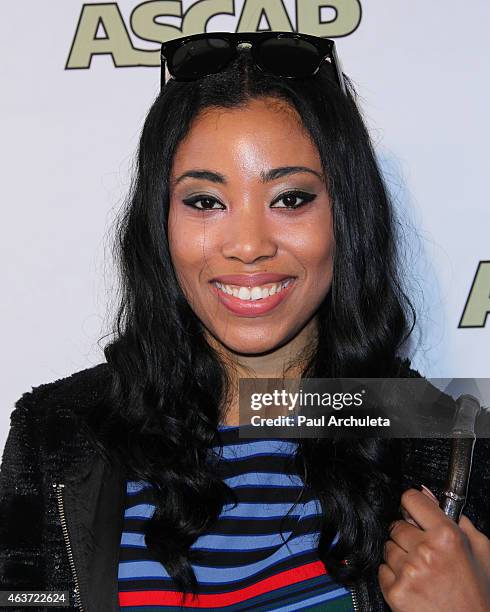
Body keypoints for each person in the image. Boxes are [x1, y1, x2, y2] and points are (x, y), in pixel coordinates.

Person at [0, 31, 489, 612]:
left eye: (290, 199)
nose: (249, 246)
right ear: (160, 224)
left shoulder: (444, 441)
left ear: (347, 216)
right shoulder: (58, 433)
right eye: (205, 202)